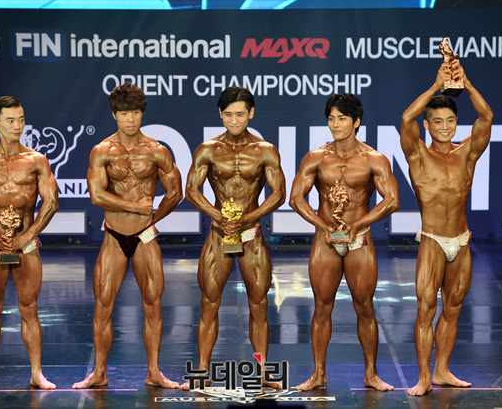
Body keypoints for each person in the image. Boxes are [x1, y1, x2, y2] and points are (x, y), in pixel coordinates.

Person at [72, 83, 182, 389]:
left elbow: (176, 192)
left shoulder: (157, 151)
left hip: (145, 237)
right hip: (114, 236)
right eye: (123, 113)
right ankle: (99, 373)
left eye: (134, 112)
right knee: (103, 306)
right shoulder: (102, 151)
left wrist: (152, 219)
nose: (130, 119)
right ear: (114, 115)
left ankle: (154, 372)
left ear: (142, 113)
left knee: (153, 304)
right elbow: (96, 195)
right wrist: (134, 207)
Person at [289, 93, 400, 392]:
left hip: (359, 240)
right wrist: (323, 225)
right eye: (331, 118)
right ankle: (318, 374)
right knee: (321, 307)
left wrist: (357, 225)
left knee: (364, 307)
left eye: (342, 118)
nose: (335, 125)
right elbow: (296, 198)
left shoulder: (373, 159)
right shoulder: (316, 157)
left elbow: (392, 200)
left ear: (356, 122)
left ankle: (371, 375)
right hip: (325, 239)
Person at [181, 86, 286, 390]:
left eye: (240, 114)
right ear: (220, 114)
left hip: (251, 235)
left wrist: (247, 217)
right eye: (228, 114)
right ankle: (202, 372)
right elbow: (191, 190)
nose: (234, 120)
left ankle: (262, 372)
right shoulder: (208, 149)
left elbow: (279, 194)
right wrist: (219, 217)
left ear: (251, 113)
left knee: (259, 304)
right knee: (209, 303)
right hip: (219, 234)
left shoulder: (265, 150)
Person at [400, 60, 493, 396]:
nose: (444, 127)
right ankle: (424, 377)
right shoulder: (417, 155)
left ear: (456, 122)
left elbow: (486, 117)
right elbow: (406, 119)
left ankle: (442, 370)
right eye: (437, 121)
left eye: (450, 120)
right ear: (427, 125)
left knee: (453, 308)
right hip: (433, 241)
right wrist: (436, 87)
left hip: (461, 241)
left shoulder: (467, 153)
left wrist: (465, 84)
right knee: (426, 309)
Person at [0, 96, 59, 391]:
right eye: (10, 120)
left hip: (26, 245)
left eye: (21, 120)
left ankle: (37, 374)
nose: (17, 126)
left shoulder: (36, 161)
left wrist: (26, 236)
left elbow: (51, 202)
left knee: (30, 308)